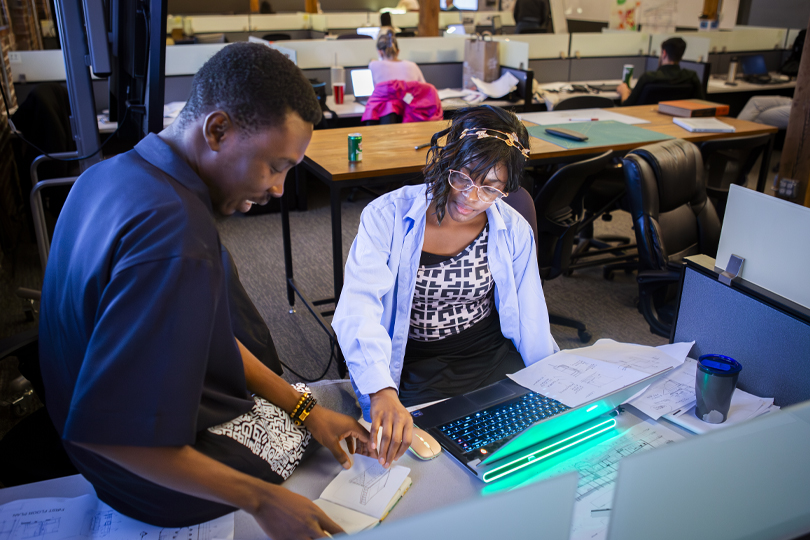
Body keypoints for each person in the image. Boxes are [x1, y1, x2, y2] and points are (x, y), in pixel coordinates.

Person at [39, 43, 371, 540]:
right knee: (339, 406)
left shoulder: (110, 173)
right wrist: (262, 500)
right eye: (275, 166)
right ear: (217, 131)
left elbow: (203, 335)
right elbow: (112, 436)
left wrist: (303, 409)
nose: (279, 189)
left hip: (92, 438)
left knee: (314, 409)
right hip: (140, 476)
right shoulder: (176, 235)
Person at [332, 106, 559, 469]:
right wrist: (381, 389)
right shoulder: (386, 216)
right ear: (446, 161)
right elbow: (358, 308)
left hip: (489, 354)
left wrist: (556, 383)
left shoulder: (512, 228)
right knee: (438, 465)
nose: (471, 197)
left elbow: (531, 316)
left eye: (490, 188)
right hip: (418, 363)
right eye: (463, 178)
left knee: (526, 448)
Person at [618, 37, 706, 106]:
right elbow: (700, 103)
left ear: (664, 53)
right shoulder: (690, 76)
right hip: (674, 123)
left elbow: (627, 106)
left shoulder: (648, 77)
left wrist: (624, 91)